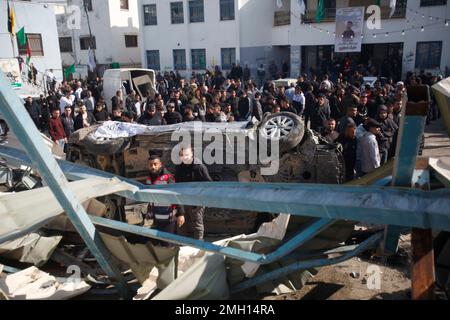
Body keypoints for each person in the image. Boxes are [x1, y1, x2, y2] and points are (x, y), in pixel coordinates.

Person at [175, 145, 213, 240]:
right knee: (181, 225)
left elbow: (209, 184)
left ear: (192, 154)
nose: (185, 157)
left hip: (196, 202)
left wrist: (201, 198)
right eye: (182, 155)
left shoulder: (199, 167)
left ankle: (199, 247)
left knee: (197, 225)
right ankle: (182, 247)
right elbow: (176, 187)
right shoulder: (179, 168)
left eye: (187, 154)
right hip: (183, 201)